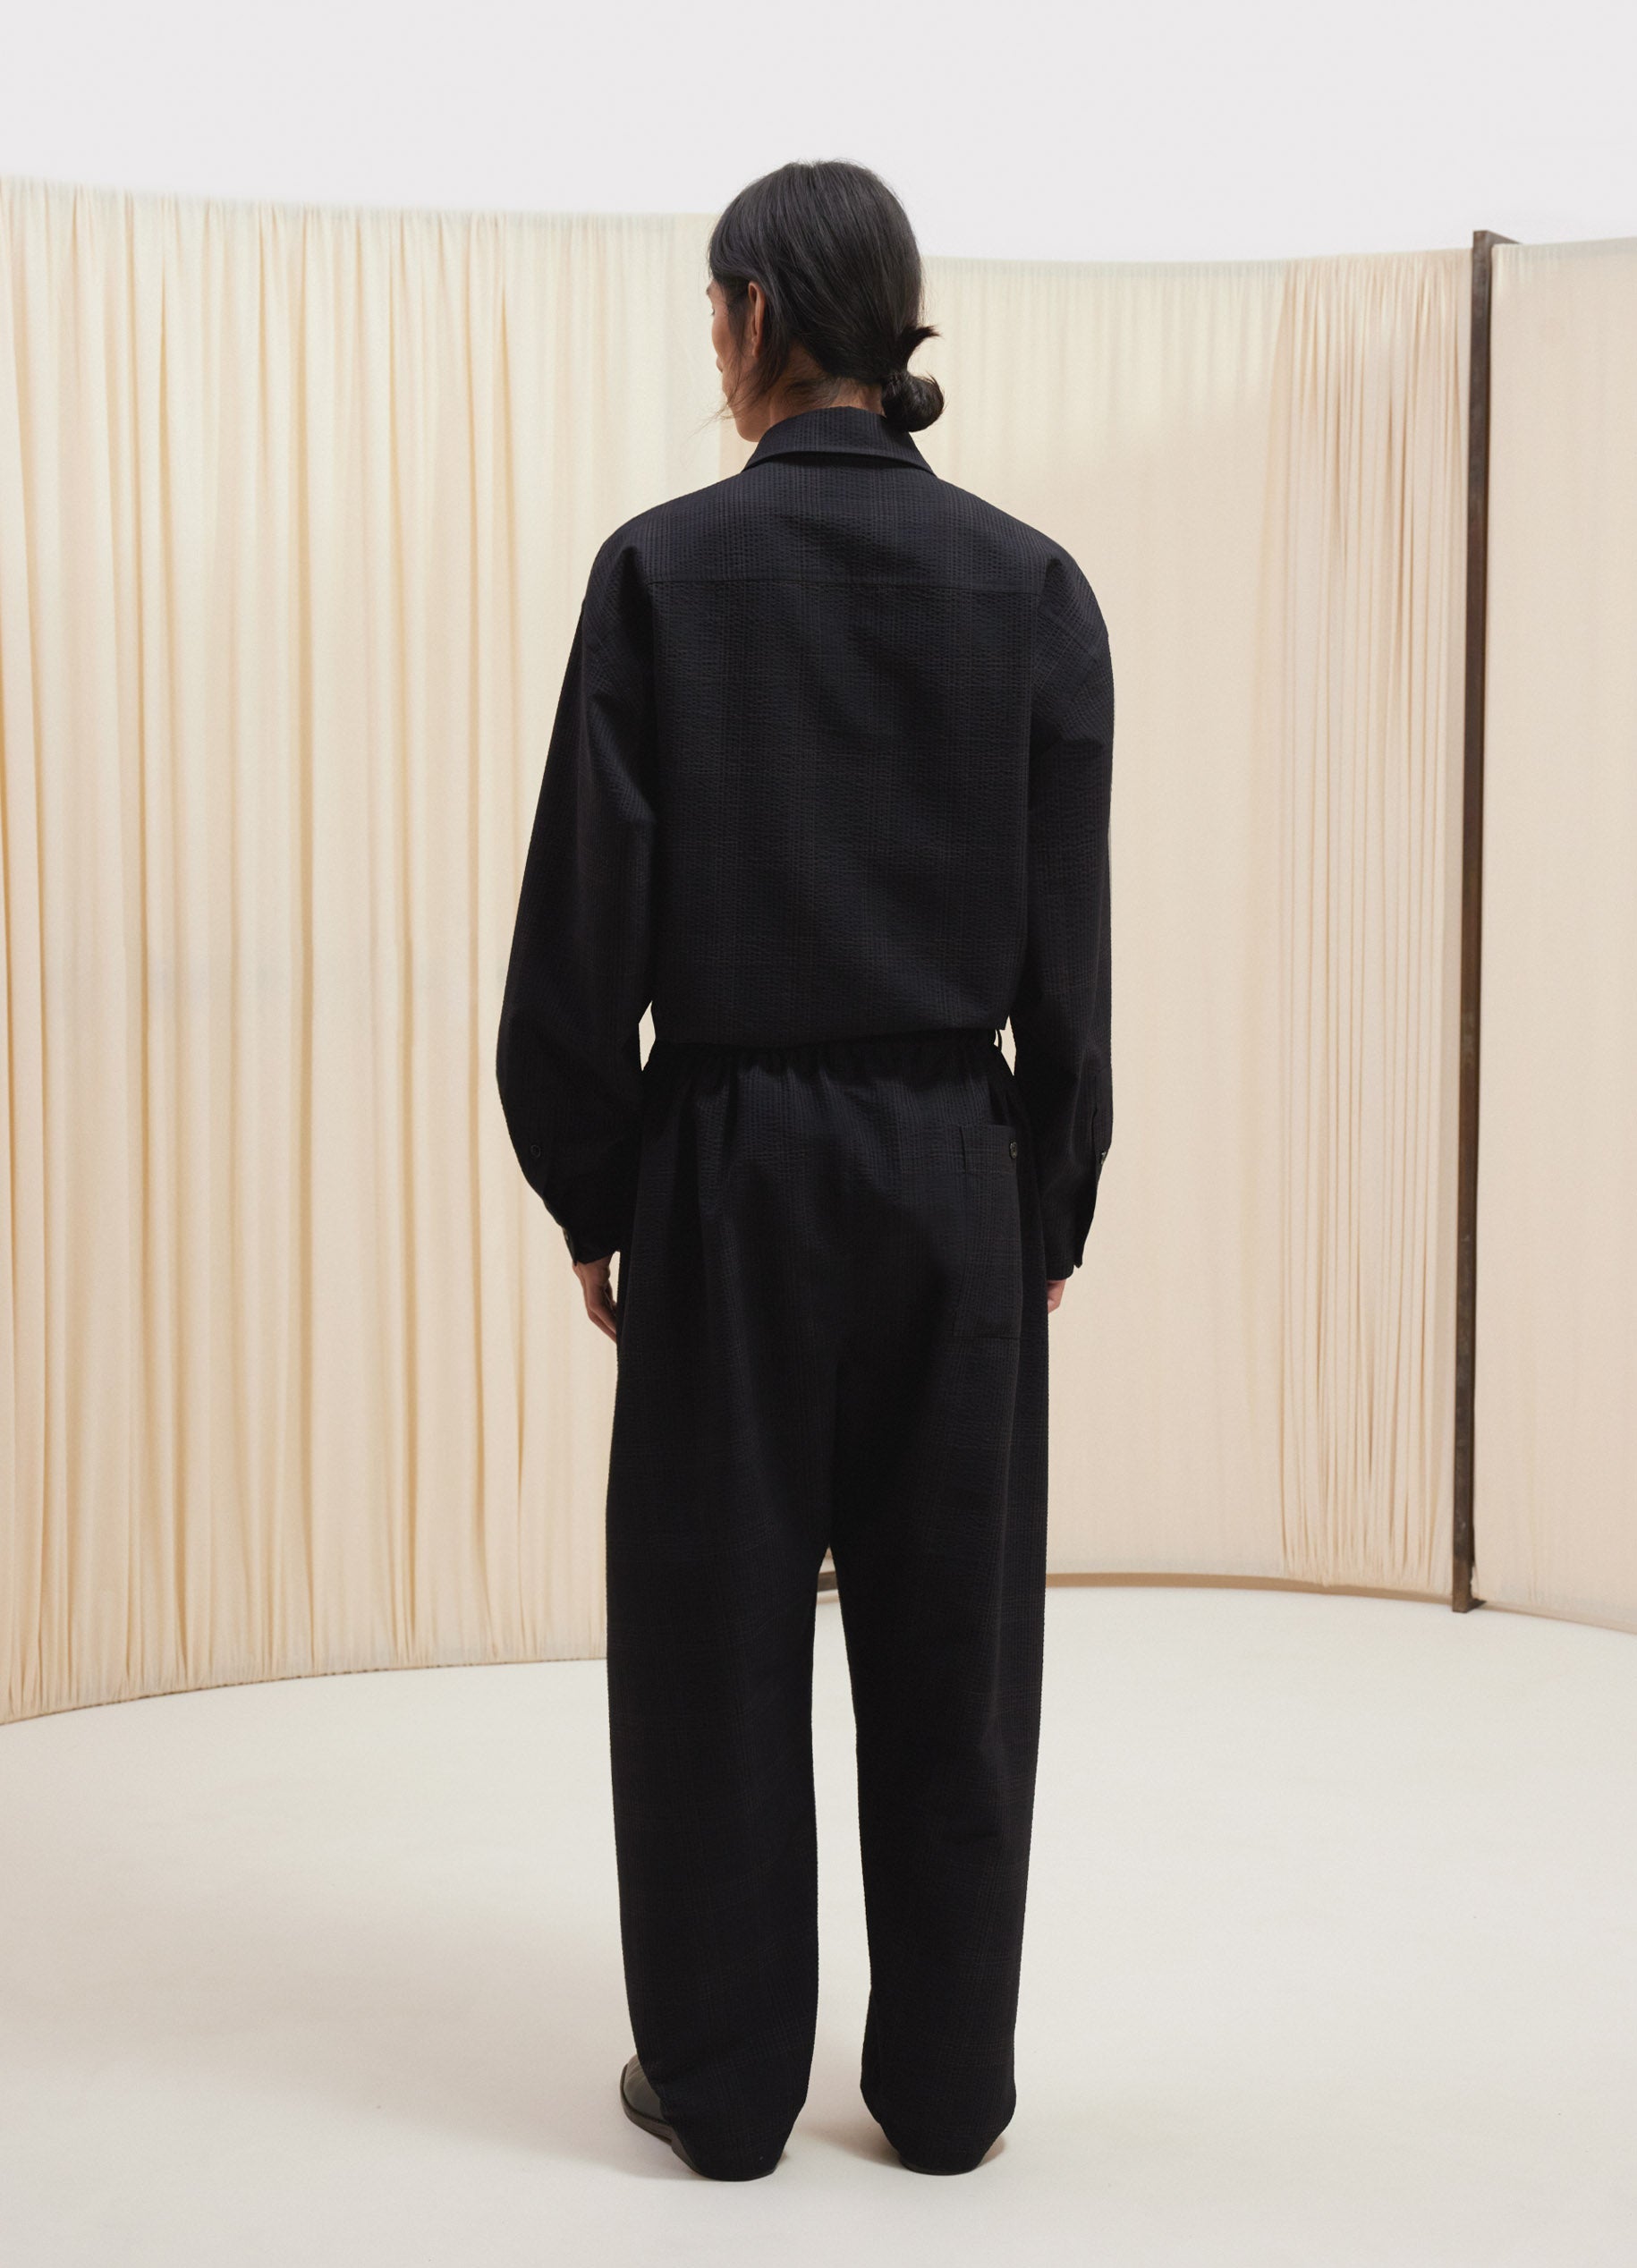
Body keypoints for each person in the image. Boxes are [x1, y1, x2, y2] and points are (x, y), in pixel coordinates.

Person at [496, 157, 1114, 2182]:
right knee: (955, 1651)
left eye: (712, 306)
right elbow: (1071, 962)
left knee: (714, 1637)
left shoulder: (660, 577)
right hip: (952, 1164)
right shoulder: (1033, 590)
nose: (711, 340)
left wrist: (602, 1193)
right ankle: (943, 2094)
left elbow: (578, 946)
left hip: (729, 1167)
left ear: (757, 313)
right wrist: (1041, 1205)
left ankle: (728, 2085)